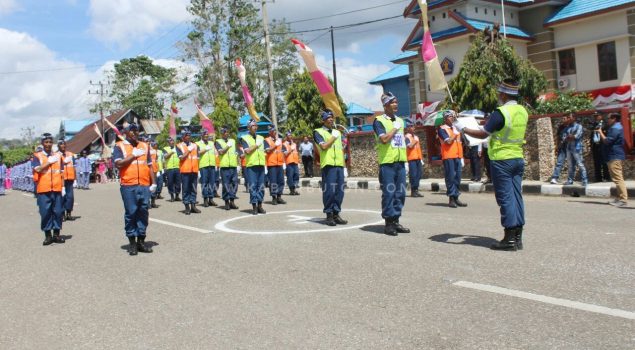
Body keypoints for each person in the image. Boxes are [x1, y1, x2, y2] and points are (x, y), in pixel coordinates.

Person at [461, 79, 528, 251]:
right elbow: (498, 126)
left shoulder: (501, 112)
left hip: (501, 159)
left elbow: (484, 133)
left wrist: (465, 129)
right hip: (517, 157)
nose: (498, 96)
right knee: (516, 196)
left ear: (504, 94)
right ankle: (518, 237)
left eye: (499, 93)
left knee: (505, 197)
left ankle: (509, 239)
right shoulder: (522, 111)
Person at [113, 123, 156, 255]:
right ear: (125, 132)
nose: (134, 132)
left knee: (143, 212)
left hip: (143, 185)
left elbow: (149, 166)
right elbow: (118, 164)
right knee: (131, 213)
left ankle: (141, 242)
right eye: (131, 130)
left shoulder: (145, 146)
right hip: (128, 185)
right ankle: (132, 243)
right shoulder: (119, 146)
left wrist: (153, 183)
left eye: (136, 130)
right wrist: (133, 155)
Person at [373, 92, 410, 236]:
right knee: (389, 193)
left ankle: (396, 220)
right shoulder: (379, 121)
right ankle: (388, 223)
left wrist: (405, 161)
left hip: (400, 162)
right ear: (386, 104)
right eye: (393, 102)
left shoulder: (400, 121)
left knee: (400, 193)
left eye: (396, 102)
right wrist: (394, 128)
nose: (396, 105)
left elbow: (400, 141)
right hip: (387, 163)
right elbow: (384, 139)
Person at [313, 110, 347, 226]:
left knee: (339, 191)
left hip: (339, 165)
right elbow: (323, 147)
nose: (331, 119)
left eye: (332, 117)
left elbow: (340, 149)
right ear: (323, 120)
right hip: (328, 165)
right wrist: (333, 137)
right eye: (328, 117)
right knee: (329, 191)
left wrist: (344, 165)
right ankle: (329, 215)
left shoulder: (337, 132)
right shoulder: (318, 132)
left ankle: (336, 213)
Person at [32, 133, 66, 245]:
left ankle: (56, 235)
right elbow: (38, 169)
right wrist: (49, 162)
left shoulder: (58, 156)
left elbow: (61, 173)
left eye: (50, 142)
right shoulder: (37, 156)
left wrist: (63, 187)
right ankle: (48, 236)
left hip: (56, 188)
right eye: (46, 142)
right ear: (42, 143)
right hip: (43, 189)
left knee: (58, 212)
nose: (48, 144)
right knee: (45, 212)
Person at [438, 110, 467, 208]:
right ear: (445, 118)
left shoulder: (456, 128)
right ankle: (451, 198)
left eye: (452, 116)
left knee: (458, 178)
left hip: (458, 156)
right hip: (448, 156)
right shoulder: (442, 129)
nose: (452, 118)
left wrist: (462, 157)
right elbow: (448, 142)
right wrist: (455, 134)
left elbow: (460, 143)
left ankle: (456, 197)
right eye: (450, 116)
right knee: (450, 177)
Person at [598, 113, 628, 207]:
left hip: (614, 155)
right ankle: (619, 198)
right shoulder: (616, 127)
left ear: (614, 118)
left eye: (608, 118)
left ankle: (623, 200)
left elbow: (607, 141)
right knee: (616, 178)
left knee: (618, 178)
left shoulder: (615, 128)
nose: (607, 120)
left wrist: (600, 132)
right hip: (612, 155)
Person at [240, 120, 267, 215]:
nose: (255, 127)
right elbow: (247, 151)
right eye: (253, 126)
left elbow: (265, 150)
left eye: (256, 125)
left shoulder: (261, 137)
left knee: (261, 186)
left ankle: (260, 205)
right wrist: (256, 145)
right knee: (253, 186)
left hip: (261, 165)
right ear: (248, 127)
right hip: (251, 165)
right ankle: (254, 206)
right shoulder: (244, 138)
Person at [176, 129, 200, 215]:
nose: (188, 137)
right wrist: (188, 150)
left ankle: (193, 205)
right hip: (185, 171)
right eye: (186, 135)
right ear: (182, 137)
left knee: (194, 189)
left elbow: (197, 158)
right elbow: (181, 158)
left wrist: (199, 169)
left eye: (189, 135)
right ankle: (187, 206)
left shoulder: (195, 145)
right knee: (186, 189)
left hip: (194, 170)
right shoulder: (179, 146)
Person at [215, 126, 240, 210]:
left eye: (227, 132)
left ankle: (232, 201)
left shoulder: (232, 141)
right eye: (224, 132)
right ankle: (226, 202)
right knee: (226, 185)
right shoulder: (218, 142)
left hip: (233, 165)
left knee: (235, 184)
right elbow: (221, 152)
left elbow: (236, 151)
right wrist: (227, 147)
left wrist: (238, 161)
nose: (226, 134)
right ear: (222, 134)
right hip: (225, 166)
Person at [564, 113, 588, 186]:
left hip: (576, 148)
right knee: (570, 165)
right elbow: (564, 137)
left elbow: (577, 136)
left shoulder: (579, 126)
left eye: (569, 117)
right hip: (569, 148)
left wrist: (570, 137)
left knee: (580, 164)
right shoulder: (567, 127)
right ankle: (570, 180)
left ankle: (584, 180)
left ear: (574, 118)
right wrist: (569, 137)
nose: (568, 119)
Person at [264, 126, 286, 205]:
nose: (274, 132)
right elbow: (267, 151)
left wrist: (283, 162)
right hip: (272, 164)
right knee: (273, 181)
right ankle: (274, 197)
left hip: (279, 163)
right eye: (272, 131)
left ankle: (279, 196)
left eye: (275, 131)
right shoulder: (266, 140)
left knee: (281, 181)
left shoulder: (279, 140)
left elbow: (283, 151)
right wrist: (275, 145)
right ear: (269, 132)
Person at [196, 130, 218, 207]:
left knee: (212, 182)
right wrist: (205, 149)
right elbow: (197, 153)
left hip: (211, 164)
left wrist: (215, 164)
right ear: (201, 135)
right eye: (205, 135)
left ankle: (211, 199)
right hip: (203, 165)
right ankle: (205, 199)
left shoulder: (211, 143)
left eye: (207, 135)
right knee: (204, 183)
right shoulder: (197, 143)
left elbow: (215, 153)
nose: (206, 136)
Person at [549, 114, 572, 184]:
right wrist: (556, 146)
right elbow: (558, 137)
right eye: (562, 118)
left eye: (564, 118)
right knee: (559, 162)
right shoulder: (561, 127)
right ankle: (554, 178)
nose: (563, 120)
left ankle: (570, 179)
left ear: (568, 119)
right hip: (562, 147)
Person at [57, 140, 76, 221]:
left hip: (70, 178)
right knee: (62, 197)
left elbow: (74, 167)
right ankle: (62, 214)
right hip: (61, 179)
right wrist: (64, 162)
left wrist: (75, 179)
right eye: (61, 144)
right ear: (58, 146)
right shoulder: (56, 155)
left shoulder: (71, 154)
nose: (63, 146)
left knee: (70, 197)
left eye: (64, 144)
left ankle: (69, 213)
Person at [589, 113, 611, 182]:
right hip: (595, 145)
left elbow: (602, 129)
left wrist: (596, 125)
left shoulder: (604, 124)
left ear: (601, 116)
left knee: (604, 162)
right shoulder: (594, 124)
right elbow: (591, 130)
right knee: (596, 162)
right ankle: (598, 178)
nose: (596, 117)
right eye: (595, 116)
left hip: (602, 145)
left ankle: (606, 177)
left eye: (597, 116)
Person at [405, 121, 424, 197]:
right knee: (413, 175)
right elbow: (409, 146)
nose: (414, 128)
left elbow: (418, 148)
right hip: (411, 158)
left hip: (418, 158)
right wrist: (415, 141)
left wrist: (421, 158)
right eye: (412, 126)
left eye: (413, 126)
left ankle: (416, 189)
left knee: (419, 174)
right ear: (408, 128)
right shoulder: (406, 137)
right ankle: (413, 190)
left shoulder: (416, 137)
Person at [163, 137, 181, 202]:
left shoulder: (177, 148)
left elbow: (181, 156)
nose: (172, 142)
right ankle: (172, 196)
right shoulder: (165, 149)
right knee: (170, 183)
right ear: (168, 142)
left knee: (178, 182)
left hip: (177, 167)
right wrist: (171, 152)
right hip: (169, 168)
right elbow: (165, 156)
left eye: (173, 141)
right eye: (170, 141)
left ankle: (177, 196)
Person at [283, 131, 300, 195]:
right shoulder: (284, 144)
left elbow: (296, 153)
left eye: (291, 135)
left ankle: (294, 188)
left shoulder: (294, 144)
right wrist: (290, 149)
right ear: (286, 137)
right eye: (289, 135)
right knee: (290, 176)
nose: (290, 137)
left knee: (296, 175)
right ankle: (292, 190)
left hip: (295, 162)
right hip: (289, 162)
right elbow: (285, 154)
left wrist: (298, 161)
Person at [149, 141, 164, 208]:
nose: (156, 145)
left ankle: (153, 202)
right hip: (147, 170)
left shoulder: (156, 152)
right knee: (148, 187)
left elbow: (156, 161)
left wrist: (158, 170)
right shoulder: (146, 150)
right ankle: (147, 202)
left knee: (154, 186)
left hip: (154, 170)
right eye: (154, 144)